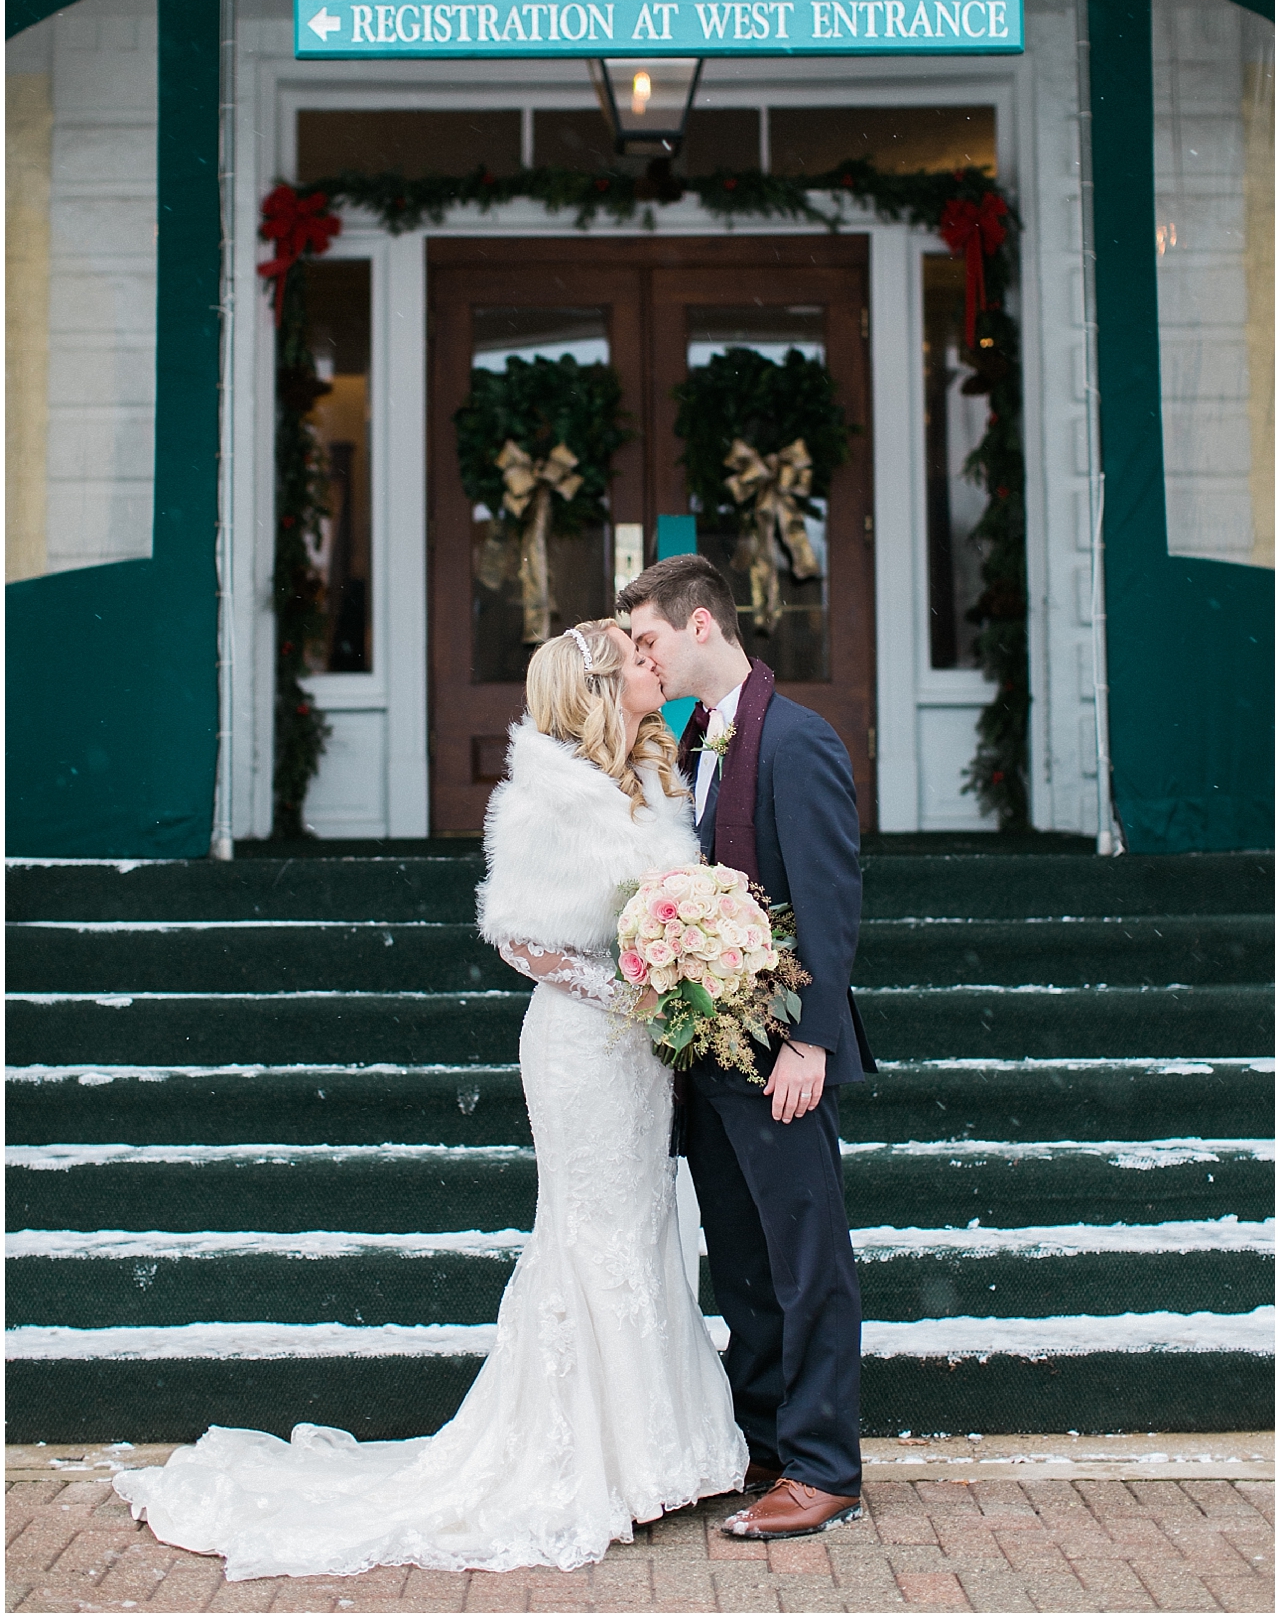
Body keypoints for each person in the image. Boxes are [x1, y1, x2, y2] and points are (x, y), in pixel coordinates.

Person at [113, 620, 747, 1581]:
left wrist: (679, 963)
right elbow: (521, 940)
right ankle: (595, 1459)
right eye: (637, 657)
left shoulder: (653, 774)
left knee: (645, 1221)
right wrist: (632, 987)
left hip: (640, 1059)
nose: (653, 663)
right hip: (582, 1046)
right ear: (601, 686)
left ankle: (659, 1450)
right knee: (589, 1232)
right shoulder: (549, 797)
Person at [618, 553, 875, 1540]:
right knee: (743, 1262)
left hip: (778, 1052)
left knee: (805, 1258)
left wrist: (809, 1044)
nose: (640, 655)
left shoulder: (795, 740)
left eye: (645, 637)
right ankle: (764, 1442)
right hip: (711, 1058)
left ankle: (823, 1467)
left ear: (697, 627)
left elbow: (827, 902)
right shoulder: (691, 740)